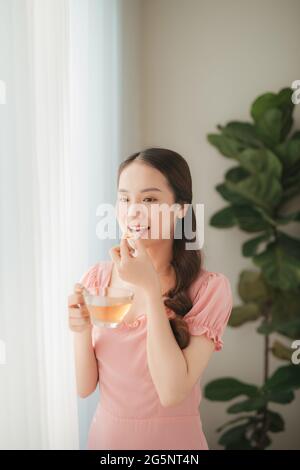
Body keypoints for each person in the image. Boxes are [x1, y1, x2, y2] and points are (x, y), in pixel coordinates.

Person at [68, 147, 233, 450]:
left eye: (150, 199)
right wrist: (81, 331)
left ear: (180, 208)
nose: (133, 211)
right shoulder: (97, 279)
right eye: (124, 198)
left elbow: (172, 392)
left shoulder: (209, 289)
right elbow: (84, 388)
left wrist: (148, 289)